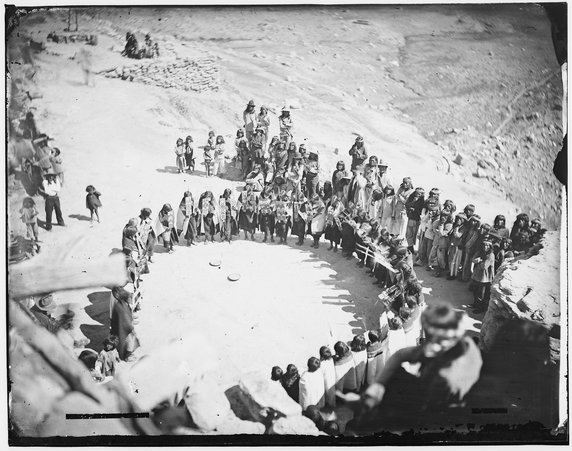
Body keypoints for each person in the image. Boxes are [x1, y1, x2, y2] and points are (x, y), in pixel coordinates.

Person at [350, 302, 482, 433]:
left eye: (434, 339)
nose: (429, 344)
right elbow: (401, 355)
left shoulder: (447, 377)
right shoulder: (454, 342)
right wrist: (377, 385)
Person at [110, 286, 139, 361]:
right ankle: (127, 356)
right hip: (125, 330)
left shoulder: (120, 304)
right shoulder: (120, 306)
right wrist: (132, 329)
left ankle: (126, 354)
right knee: (129, 344)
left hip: (121, 328)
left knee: (126, 343)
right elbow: (125, 320)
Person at [471, 240, 495, 313]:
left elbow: (484, 266)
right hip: (477, 276)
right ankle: (475, 304)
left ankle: (480, 308)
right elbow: (473, 259)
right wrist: (478, 260)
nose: (485, 247)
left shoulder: (491, 255)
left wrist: (478, 261)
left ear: (490, 247)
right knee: (475, 291)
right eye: (484, 245)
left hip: (485, 278)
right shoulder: (480, 252)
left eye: (487, 245)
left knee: (481, 294)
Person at [447, 213, 467, 280]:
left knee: (455, 261)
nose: (458, 220)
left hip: (458, 247)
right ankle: (451, 272)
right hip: (453, 245)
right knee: (451, 259)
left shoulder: (463, 228)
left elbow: (457, 235)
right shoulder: (456, 226)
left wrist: (456, 228)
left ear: (463, 220)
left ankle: (454, 275)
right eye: (457, 219)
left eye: (460, 219)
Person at [405, 187, 425, 254]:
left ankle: (411, 248)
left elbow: (421, 211)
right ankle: (410, 247)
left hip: (416, 219)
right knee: (409, 234)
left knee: (413, 234)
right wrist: (413, 202)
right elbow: (407, 204)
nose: (418, 195)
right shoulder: (412, 198)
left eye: (420, 193)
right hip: (411, 218)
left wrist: (415, 210)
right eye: (417, 193)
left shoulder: (422, 201)